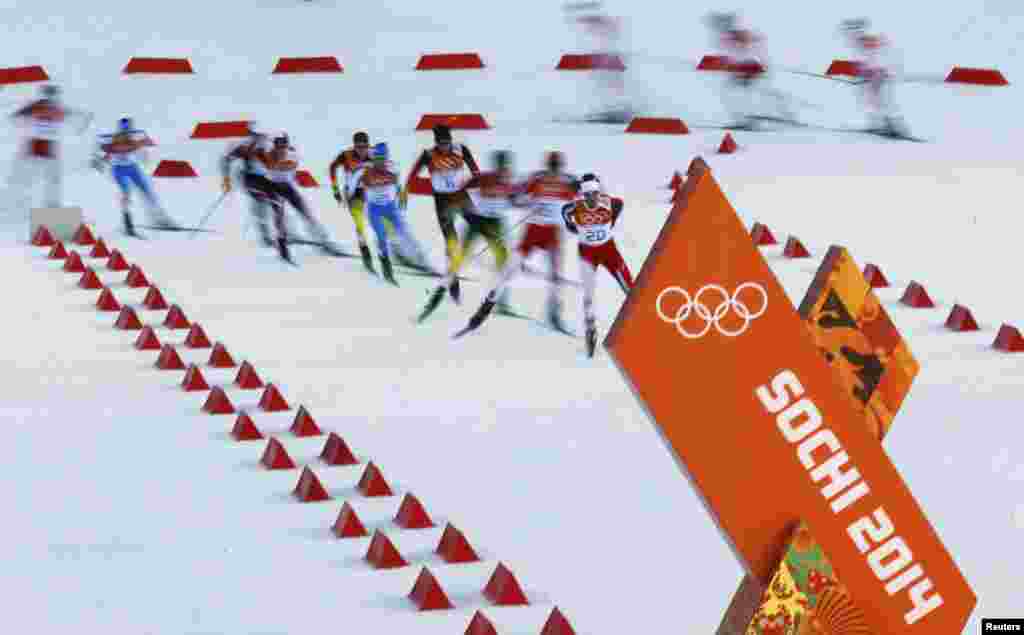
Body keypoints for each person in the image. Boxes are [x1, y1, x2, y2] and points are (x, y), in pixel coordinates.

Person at [454, 151, 576, 338]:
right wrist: (529, 203)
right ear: (547, 166)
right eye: (551, 167)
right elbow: (515, 197)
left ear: (560, 167)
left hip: (552, 234)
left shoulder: (569, 182)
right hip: (532, 232)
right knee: (508, 270)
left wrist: (573, 220)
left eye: (556, 168)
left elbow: (581, 202)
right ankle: (484, 310)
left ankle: (555, 313)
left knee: (555, 274)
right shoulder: (537, 178)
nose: (554, 172)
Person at [418, 150, 521, 322]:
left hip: (496, 225)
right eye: (502, 166)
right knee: (459, 259)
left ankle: (500, 300)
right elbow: (461, 190)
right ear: (497, 166)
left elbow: (515, 199)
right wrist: (457, 206)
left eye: (506, 167)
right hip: (478, 222)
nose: (504, 170)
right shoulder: (483, 177)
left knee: (503, 261)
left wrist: (524, 203)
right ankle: (437, 296)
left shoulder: (510, 182)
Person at [403, 124, 481, 303]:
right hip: (442, 200)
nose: (444, 146)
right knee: (451, 240)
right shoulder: (428, 155)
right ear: (436, 143)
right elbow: (413, 173)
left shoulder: (461, 150)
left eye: (447, 142)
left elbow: (475, 170)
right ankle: (453, 281)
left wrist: (479, 182)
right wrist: (406, 189)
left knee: (479, 224)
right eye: (441, 144)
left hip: (460, 195)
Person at [562, 177, 633, 357]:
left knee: (629, 286)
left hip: (608, 250)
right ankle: (590, 329)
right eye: (587, 195)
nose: (592, 199)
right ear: (583, 195)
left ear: (599, 192)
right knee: (588, 293)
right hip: (587, 253)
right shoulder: (575, 206)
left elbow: (620, 204)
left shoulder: (608, 202)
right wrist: (571, 227)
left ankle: (642, 315)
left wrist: (611, 222)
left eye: (594, 194)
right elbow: (565, 214)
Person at [357, 142, 435, 285]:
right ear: (373, 159)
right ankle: (387, 269)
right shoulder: (365, 173)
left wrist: (401, 195)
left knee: (406, 233)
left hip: (390, 207)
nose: (380, 162)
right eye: (377, 159)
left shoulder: (393, 169)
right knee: (382, 237)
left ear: (387, 158)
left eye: (383, 159)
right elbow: (358, 191)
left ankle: (422, 261)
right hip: (374, 209)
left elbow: (397, 186)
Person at [7, 84, 91, 216]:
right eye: (49, 97)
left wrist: (83, 119)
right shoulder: (38, 106)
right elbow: (16, 116)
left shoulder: (56, 109)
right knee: (29, 175)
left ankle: (50, 205)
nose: (50, 102)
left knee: (51, 176)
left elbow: (73, 114)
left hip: (48, 145)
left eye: (52, 98)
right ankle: (17, 201)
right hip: (36, 144)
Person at [92, 117, 180, 236]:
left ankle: (159, 219)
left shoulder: (132, 138)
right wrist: (101, 158)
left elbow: (143, 146)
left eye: (128, 128)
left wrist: (143, 148)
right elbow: (110, 148)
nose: (126, 131)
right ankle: (127, 221)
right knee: (126, 193)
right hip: (119, 169)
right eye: (125, 129)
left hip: (132, 168)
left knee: (147, 191)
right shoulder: (116, 139)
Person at [265, 133, 345, 261]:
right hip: (272, 187)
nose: (281, 148)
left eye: (283, 144)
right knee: (279, 217)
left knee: (306, 213)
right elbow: (272, 165)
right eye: (278, 144)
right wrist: (278, 162)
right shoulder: (269, 154)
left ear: (287, 144)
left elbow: (289, 165)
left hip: (287, 187)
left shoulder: (292, 154)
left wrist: (281, 163)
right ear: (274, 145)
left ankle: (325, 242)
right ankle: (282, 247)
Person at [706, 13, 794, 129]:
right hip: (747, 68)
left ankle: (749, 119)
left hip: (750, 67)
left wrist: (738, 67)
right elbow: (735, 54)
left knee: (738, 92)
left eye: (719, 25)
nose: (717, 29)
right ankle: (751, 117)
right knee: (747, 91)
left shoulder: (734, 35)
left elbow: (744, 50)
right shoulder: (729, 37)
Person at [839, 18, 908, 137]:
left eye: (853, 30)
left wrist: (875, 72)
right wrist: (860, 72)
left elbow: (877, 58)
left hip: (878, 77)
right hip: (871, 78)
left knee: (881, 103)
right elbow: (863, 62)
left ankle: (891, 127)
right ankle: (881, 125)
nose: (850, 34)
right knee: (873, 102)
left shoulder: (868, 39)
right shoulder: (858, 42)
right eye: (849, 31)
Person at [222, 123, 284, 248]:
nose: (262, 137)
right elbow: (226, 160)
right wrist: (227, 180)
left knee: (275, 201)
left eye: (263, 135)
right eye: (258, 135)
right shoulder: (246, 146)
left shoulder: (268, 144)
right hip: (251, 179)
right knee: (263, 202)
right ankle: (266, 237)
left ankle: (280, 234)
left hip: (264, 179)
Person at [329, 131, 376, 272]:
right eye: (358, 146)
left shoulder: (374, 155)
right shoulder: (346, 155)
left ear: (368, 146)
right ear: (354, 146)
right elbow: (332, 167)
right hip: (353, 194)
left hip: (370, 192)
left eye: (364, 146)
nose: (361, 150)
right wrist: (335, 189)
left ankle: (395, 250)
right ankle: (365, 250)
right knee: (359, 221)